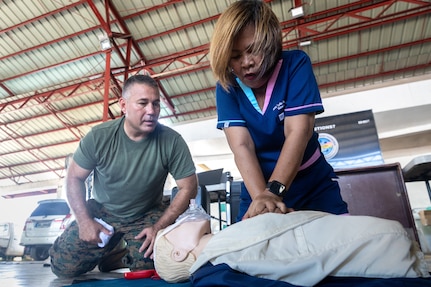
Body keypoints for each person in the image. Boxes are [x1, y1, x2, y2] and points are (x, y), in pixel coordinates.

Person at [209, 0, 348, 220]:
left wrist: (274, 192)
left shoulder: (296, 65)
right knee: (248, 249)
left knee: (337, 242)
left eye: (253, 50)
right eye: (235, 56)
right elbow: (242, 146)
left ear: (271, 43)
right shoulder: (226, 87)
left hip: (311, 183)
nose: (246, 62)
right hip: (257, 186)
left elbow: (298, 133)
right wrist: (262, 201)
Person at [49, 74, 198, 278]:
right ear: (123, 105)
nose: (151, 111)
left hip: (146, 214)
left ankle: (123, 255)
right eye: (143, 103)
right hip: (103, 212)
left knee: (155, 267)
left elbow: (188, 187)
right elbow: (74, 178)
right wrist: (84, 221)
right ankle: (111, 251)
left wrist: (159, 226)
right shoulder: (99, 137)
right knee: (63, 269)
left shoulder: (172, 141)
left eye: (155, 104)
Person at [153, 208, 430, 285]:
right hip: (382, 247)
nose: (176, 223)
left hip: (381, 239)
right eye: (171, 231)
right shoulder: (214, 269)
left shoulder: (224, 244)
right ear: (179, 254)